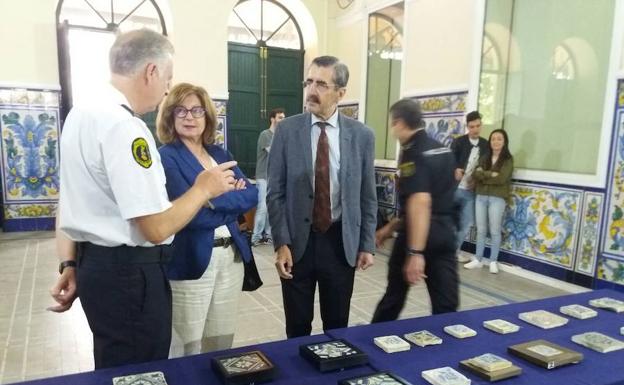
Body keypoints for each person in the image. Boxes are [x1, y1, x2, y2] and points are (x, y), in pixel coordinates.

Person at [48, 30, 237, 369]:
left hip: (96, 266)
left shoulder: (80, 114)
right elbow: (154, 227)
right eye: (167, 78)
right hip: (129, 275)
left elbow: (68, 201)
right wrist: (203, 188)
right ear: (151, 71)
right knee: (140, 369)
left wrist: (70, 263)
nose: (166, 88)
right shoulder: (125, 127)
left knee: (114, 365)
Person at [267, 55, 376, 338]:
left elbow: (367, 195)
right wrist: (281, 242)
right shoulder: (287, 131)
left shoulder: (362, 136)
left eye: (321, 84)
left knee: (337, 326)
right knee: (297, 326)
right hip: (297, 244)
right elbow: (275, 192)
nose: (311, 91)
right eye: (309, 82)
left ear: (341, 93)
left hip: (341, 243)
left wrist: (366, 244)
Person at [157, 83, 258, 356]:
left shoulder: (219, 155)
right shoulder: (166, 158)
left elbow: (251, 195)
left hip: (232, 257)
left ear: (208, 117)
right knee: (186, 344)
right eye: (181, 111)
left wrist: (208, 198)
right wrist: (216, 200)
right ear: (170, 116)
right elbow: (192, 217)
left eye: (197, 111)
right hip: (191, 259)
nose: (190, 117)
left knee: (221, 341)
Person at [372, 98, 458, 322]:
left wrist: (415, 253)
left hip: (418, 236)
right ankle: (447, 350)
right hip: (445, 234)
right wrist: (390, 226)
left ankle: (372, 342)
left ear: (399, 123)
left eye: (392, 124)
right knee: (446, 305)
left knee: (393, 299)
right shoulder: (442, 150)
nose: (393, 130)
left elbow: (420, 203)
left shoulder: (413, 153)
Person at [464, 129, 513, 274]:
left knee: (495, 230)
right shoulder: (484, 157)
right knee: (481, 229)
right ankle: (478, 259)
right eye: (493, 139)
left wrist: (484, 175)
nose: (496, 141)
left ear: (504, 142)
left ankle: (493, 261)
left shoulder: (508, 160)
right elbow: (475, 174)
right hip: (481, 196)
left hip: (497, 198)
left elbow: (501, 178)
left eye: (499, 139)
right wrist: (490, 174)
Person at [450, 111, 488, 262]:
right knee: (450, 222)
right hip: (454, 189)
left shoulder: (485, 144)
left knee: (466, 224)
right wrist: (455, 169)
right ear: (467, 126)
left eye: (478, 126)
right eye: (472, 126)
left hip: (471, 192)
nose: (475, 129)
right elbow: (449, 160)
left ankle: (454, 252)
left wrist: (478, 179)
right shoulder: (458, 142)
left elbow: (486, 166)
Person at [252, 107, 285, 246]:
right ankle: (255, 237)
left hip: (274, 177)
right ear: (272, 119)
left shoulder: (281, 135)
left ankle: (268, 235)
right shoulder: (265, 134)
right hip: (263, 176)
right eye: (280, 117)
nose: (283, 120)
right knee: (263, 207)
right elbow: (274, 153)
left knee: (272, 207)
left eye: (284, 117)